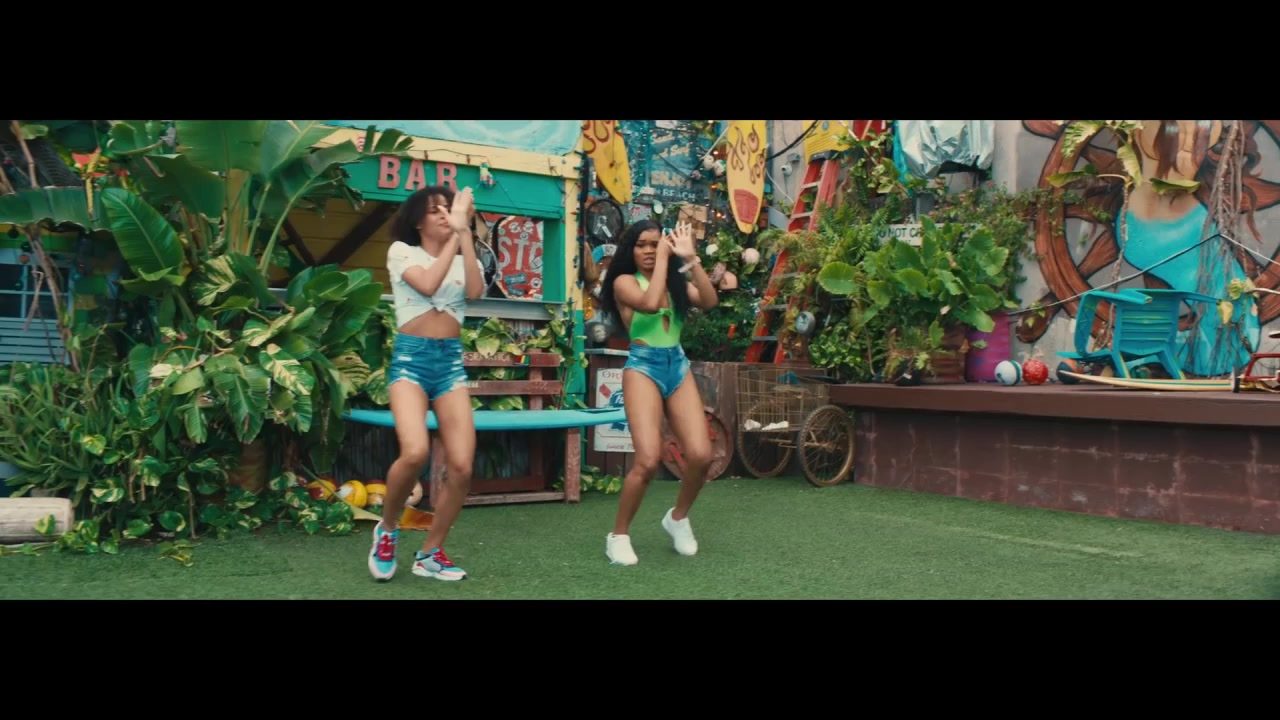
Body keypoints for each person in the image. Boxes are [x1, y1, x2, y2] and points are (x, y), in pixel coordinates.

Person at [369, 184, 485, 582]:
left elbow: (475, 292)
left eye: (449, 209)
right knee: (415, 451)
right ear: (418, 220)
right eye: (435, 210)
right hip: (411, 363)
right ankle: (387, 529)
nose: (444, 215)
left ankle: (431, 553)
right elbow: (428, 285)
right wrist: (457, 232)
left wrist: (464, 234)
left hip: (449, 365)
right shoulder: (402, 252)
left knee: (462, 466)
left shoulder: (460, 252)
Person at [596, 219, 719, 565]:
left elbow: (709, 300)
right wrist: (666, 256)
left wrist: (690, 259)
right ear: (631, 250)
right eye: (643, 245)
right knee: (648, 459)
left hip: (676, 365)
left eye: (655, 244)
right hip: (643, 367)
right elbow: (650, 303)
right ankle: (618, 535)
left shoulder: (675, 283)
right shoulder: (623, 282)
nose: (650, 251)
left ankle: (677, 518)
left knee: (701, 455)